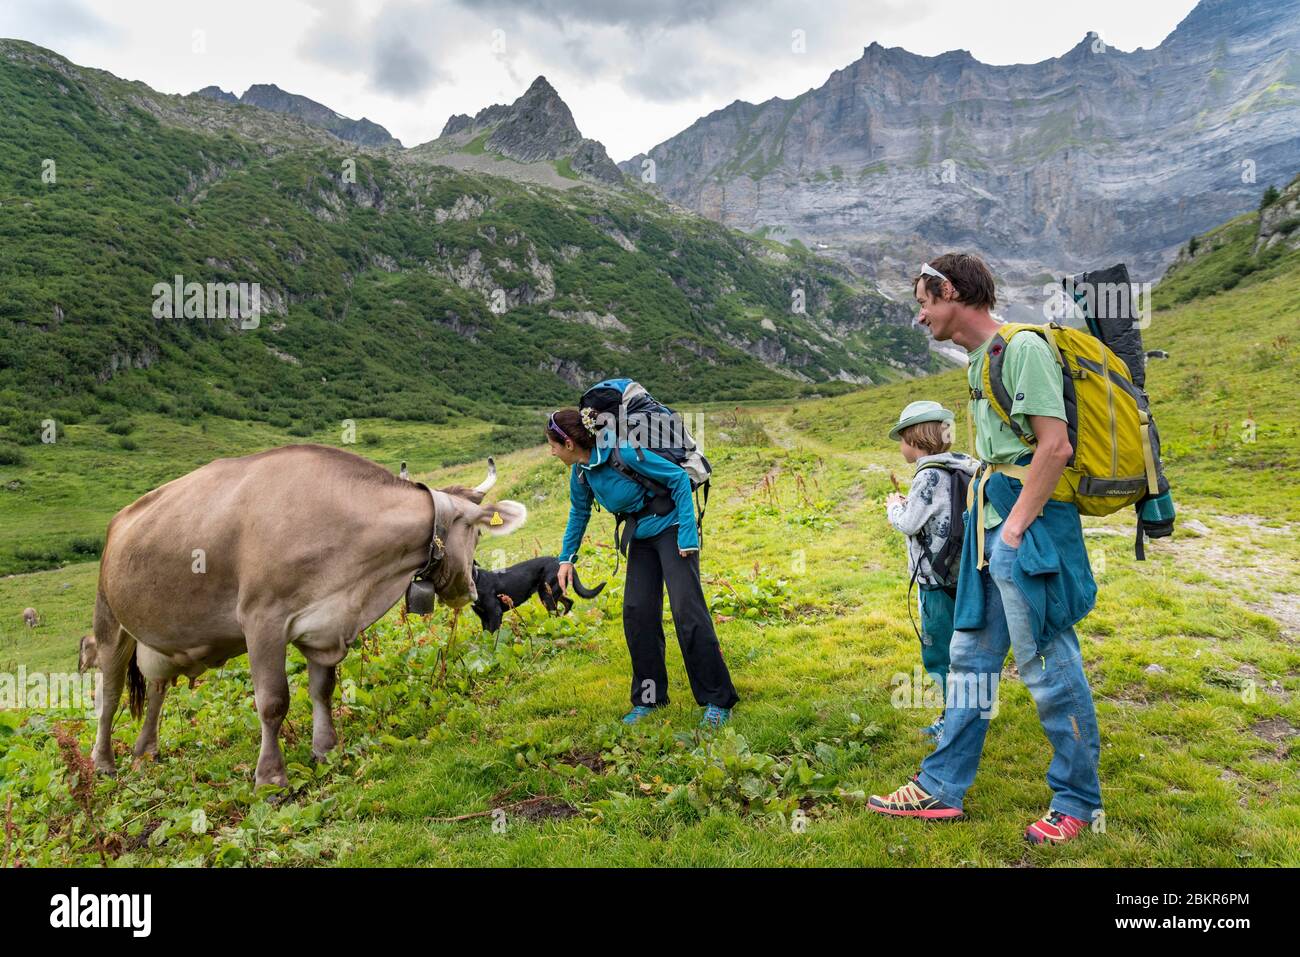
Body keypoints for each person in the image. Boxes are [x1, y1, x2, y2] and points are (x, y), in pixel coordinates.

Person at [869, 253, 1103, 847]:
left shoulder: (1021, 348)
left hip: (1026, 532)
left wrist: (1017, 531)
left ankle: (1077, 802)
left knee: (1049, 665)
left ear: (949, 291)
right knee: (971, 660)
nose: (921, 317)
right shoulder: (981, 360)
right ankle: (940, 788)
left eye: (924, 302)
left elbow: (1054, 449)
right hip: (989, 528)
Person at [546, 408, 738, 728]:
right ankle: (649, 698)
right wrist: (567, 559)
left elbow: (677, 479)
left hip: (674, 528)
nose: (550, 450)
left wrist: (689, 537)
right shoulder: (581, 472)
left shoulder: (623, 451)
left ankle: (718, 700)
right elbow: (579, 513)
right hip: (641, 536)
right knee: (638, 614)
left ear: (568, 443)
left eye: (552, 444)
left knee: (686, 611)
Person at [885, 400, 976, 742]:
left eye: (902, 438)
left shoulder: (928, 473)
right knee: (965, 646)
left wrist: (895, 507)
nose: (901, 446)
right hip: (963, 573)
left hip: (935, 580)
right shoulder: (964, 464)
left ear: (915, 439)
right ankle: (968, 711)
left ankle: (951, 721)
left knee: (938, 650)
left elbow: (910, 523)